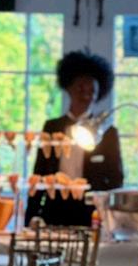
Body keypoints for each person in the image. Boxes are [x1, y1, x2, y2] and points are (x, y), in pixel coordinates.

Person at [25, 50, 123, 228]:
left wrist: (106, 213)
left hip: (90, 211)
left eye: (92, 90)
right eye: (81, 88)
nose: (86, 94)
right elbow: (39, 172)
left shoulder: (107, 133)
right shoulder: (52, 127)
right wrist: (31, 216)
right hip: (54, 209)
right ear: (69, 88)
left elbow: (116, 179)